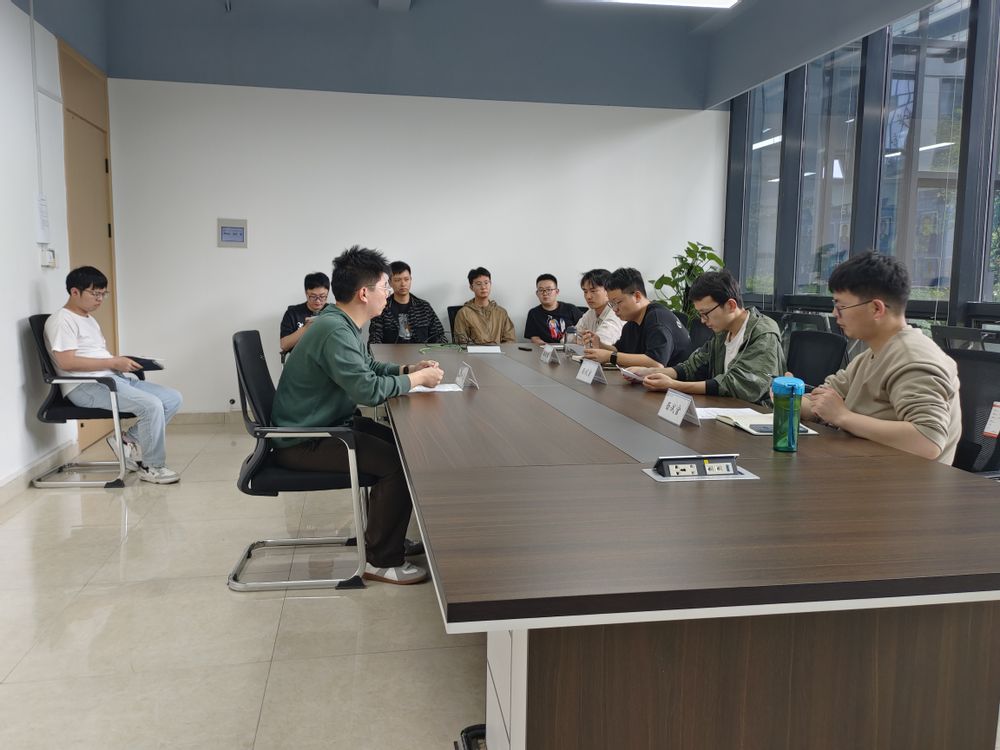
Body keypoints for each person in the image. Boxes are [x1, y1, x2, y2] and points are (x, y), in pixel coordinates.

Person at [271, 246, 445, 584]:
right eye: (384, 286)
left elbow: (368, 367)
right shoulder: (335, 330)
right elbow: (367, 390)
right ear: (364, 293)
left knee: (401, 447)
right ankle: (381, 559)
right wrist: (418, 380)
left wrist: (408, 369)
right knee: (396, 465)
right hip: (304, 439)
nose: (389, 292)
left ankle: (383, 536)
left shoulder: (339, 322)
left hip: (325, 425)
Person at [798, 252, 961, 463]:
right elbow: (821, 405)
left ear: (876, 308)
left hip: (906, 481)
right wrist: (789, 398)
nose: (835, 314)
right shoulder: (871, 355)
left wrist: (843, 417)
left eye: (841, 306)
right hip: (866, 468)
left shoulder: (913, 358)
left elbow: (928, 441)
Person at [44, 265, 182, 484]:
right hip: (86, 386)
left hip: (110, 378)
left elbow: (95, 356)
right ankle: (153, 467)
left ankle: (126, 440)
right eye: (95, 294)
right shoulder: (62, 321)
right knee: (151, 405)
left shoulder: (88, 319)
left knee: (173, 398)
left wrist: (120, 363)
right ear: (74, 292)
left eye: (103, 294)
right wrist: (112, 362)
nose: (100, 299)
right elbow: (66, 362)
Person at [629, 269, 784, 404]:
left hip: (757, 416)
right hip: (726, 409)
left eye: (705, 313)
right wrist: (648, 372)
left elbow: (738, 385)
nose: (703, 321)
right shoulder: (723, 332)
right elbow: (692, 367)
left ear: (730, 305)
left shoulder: (763, 332)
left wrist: (674, 385)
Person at [582, 267, 690, 368]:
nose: (614, 309)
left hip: (677, 381)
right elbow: (619, 351)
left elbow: (656, 363)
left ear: (637, 296)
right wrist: (600, 345)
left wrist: (610, 357)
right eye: (611, 304)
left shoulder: (657, 319)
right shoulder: (632, 322)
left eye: (617, 302)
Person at [368, 261, 447, 345]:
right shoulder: (382, 308)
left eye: (406, 279)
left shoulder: (424, 307)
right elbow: (374, 341)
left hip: (422, 352)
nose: (403, 284)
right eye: (397, 280)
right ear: (390, 282)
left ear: (411, 280)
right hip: (391, 353)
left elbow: (440, 337)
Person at [452, 267, 516, 345]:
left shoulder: (501, 312)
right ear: (471, 287)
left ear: (490, 284)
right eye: (479, 284)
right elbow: (461, 342)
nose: (483, 287)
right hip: (474, 352)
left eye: (486, 283)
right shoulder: (463, 313)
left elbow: (510, 340)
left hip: (499, 352)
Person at [280, 272, 330, 356]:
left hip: (327, 357)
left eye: (322, 296)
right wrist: (306, 327)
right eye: (313, 296)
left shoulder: (333, 312)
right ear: (306, 293)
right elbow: (284, 345)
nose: (318, 301)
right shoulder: (293, 313)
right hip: (301, 358)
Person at [523, 274, 583, 345]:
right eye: (541, 290)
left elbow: (584, 329)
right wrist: (547, 347)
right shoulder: (533, 313)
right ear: (537, 293)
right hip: (544, 349)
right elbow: (534, 337)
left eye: (549, 289)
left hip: (569, 348)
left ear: (557, 292)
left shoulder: (571, 309)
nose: (545, 293)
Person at [574, 268, 625, 348]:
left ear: (608, 290)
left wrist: (580, 342)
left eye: (593, 291)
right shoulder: (591, 313)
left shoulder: (615, 314)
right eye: (585, 291)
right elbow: (569, 338)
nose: (588, 296)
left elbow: (600, 345)